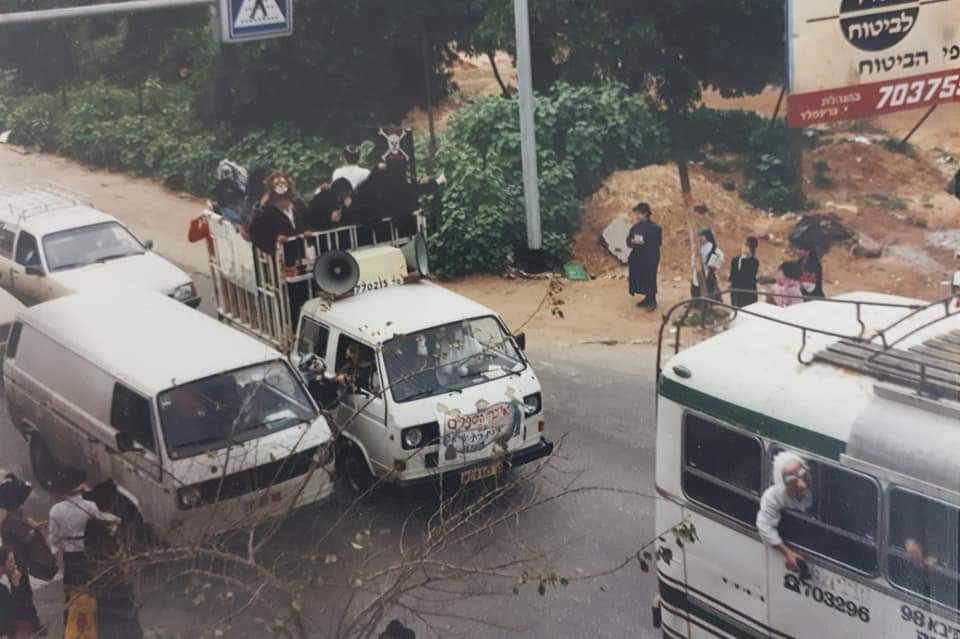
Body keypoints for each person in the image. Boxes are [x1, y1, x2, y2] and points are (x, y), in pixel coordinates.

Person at [48, 468, 119, 621]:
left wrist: (58, 550)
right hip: (88, 553)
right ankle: (92, 624)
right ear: (80, 486)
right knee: (92, 589)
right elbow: (105, 522)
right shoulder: (90, 506)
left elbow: (54, 540)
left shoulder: (56, 510)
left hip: (69, 556)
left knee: (72, 593)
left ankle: (71, 625)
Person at [84, 481, 142, 639]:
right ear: (113, 501)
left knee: (106, 625)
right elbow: (118, 555)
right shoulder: (111, 525)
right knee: (130, 627)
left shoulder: (90, 525)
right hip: (116, 584)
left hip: (100, 585)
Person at [0, 475, 47, 633]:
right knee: (21, 593)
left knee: (21, 592)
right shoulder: (11, 521)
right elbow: (23, 536)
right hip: (15, 560)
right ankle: (27, 625)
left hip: (15, 560)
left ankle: (28, 624)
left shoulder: (13, 516)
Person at [756, 451, 813, 573]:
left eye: (803, 475)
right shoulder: (774, 497)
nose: (802, 484)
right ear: (782, 483)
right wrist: (787, 552)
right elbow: (764, 525)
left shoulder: (815, 484)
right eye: (792, 480)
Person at [626, 202, 662, 311]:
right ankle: (646, 298)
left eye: (638, 214)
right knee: (640, 278)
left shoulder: (655, 228)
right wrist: (632, 241)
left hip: (650, 257)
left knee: (650, 277)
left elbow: (658, 243)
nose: (637, 216)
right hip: (637, 257)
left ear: (645, 214)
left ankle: (652, 300)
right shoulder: (635, 227)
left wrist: (645, 242)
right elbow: (628, 241)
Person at [0, 545, 38, 639]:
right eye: (11, 561)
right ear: (2, 565)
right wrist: (16, 585)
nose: (15, 564)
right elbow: (12, 611)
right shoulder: (2, 586)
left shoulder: (5, 578)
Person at [691, 227, 724, 302]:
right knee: (696, 285)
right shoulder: (698, 246)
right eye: (699, 236)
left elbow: (721, 255)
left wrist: (714, 265)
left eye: (702, 236)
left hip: (707, 272)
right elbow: (693, 257)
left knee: (707, 289)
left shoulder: (711, 246)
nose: (700, 238)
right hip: (698, 271)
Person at [728, 237, 760, 308]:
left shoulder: (754, 262)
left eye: (747, 246)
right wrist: (731, 284)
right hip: (736, 289)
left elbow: (749, 276)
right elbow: (732, 274)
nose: (744, 248)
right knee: (735, 309)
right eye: (744, 245)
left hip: (748, 291)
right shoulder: (735, 260)